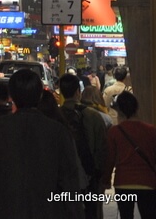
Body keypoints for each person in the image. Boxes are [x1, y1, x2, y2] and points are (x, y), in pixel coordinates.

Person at [0, 69, 84, 219]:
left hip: (5, 211)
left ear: (11, 96)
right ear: (40, 95)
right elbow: (69, 181)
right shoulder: (57, 131)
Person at [101, 91, 156, 219]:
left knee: (126, 216)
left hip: (123, 183)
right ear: (137, 107)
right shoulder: (151, 131)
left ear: (119, 110)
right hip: (147, 182)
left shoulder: (114, 132)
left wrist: (106, 180)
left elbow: (110, 159)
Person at [59, 73, 107, 219]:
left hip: (61, 178)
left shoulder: (54, 116)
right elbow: (102, 149)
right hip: (89, 176)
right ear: (77, 92)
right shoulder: (94, 116)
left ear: (60, 92)